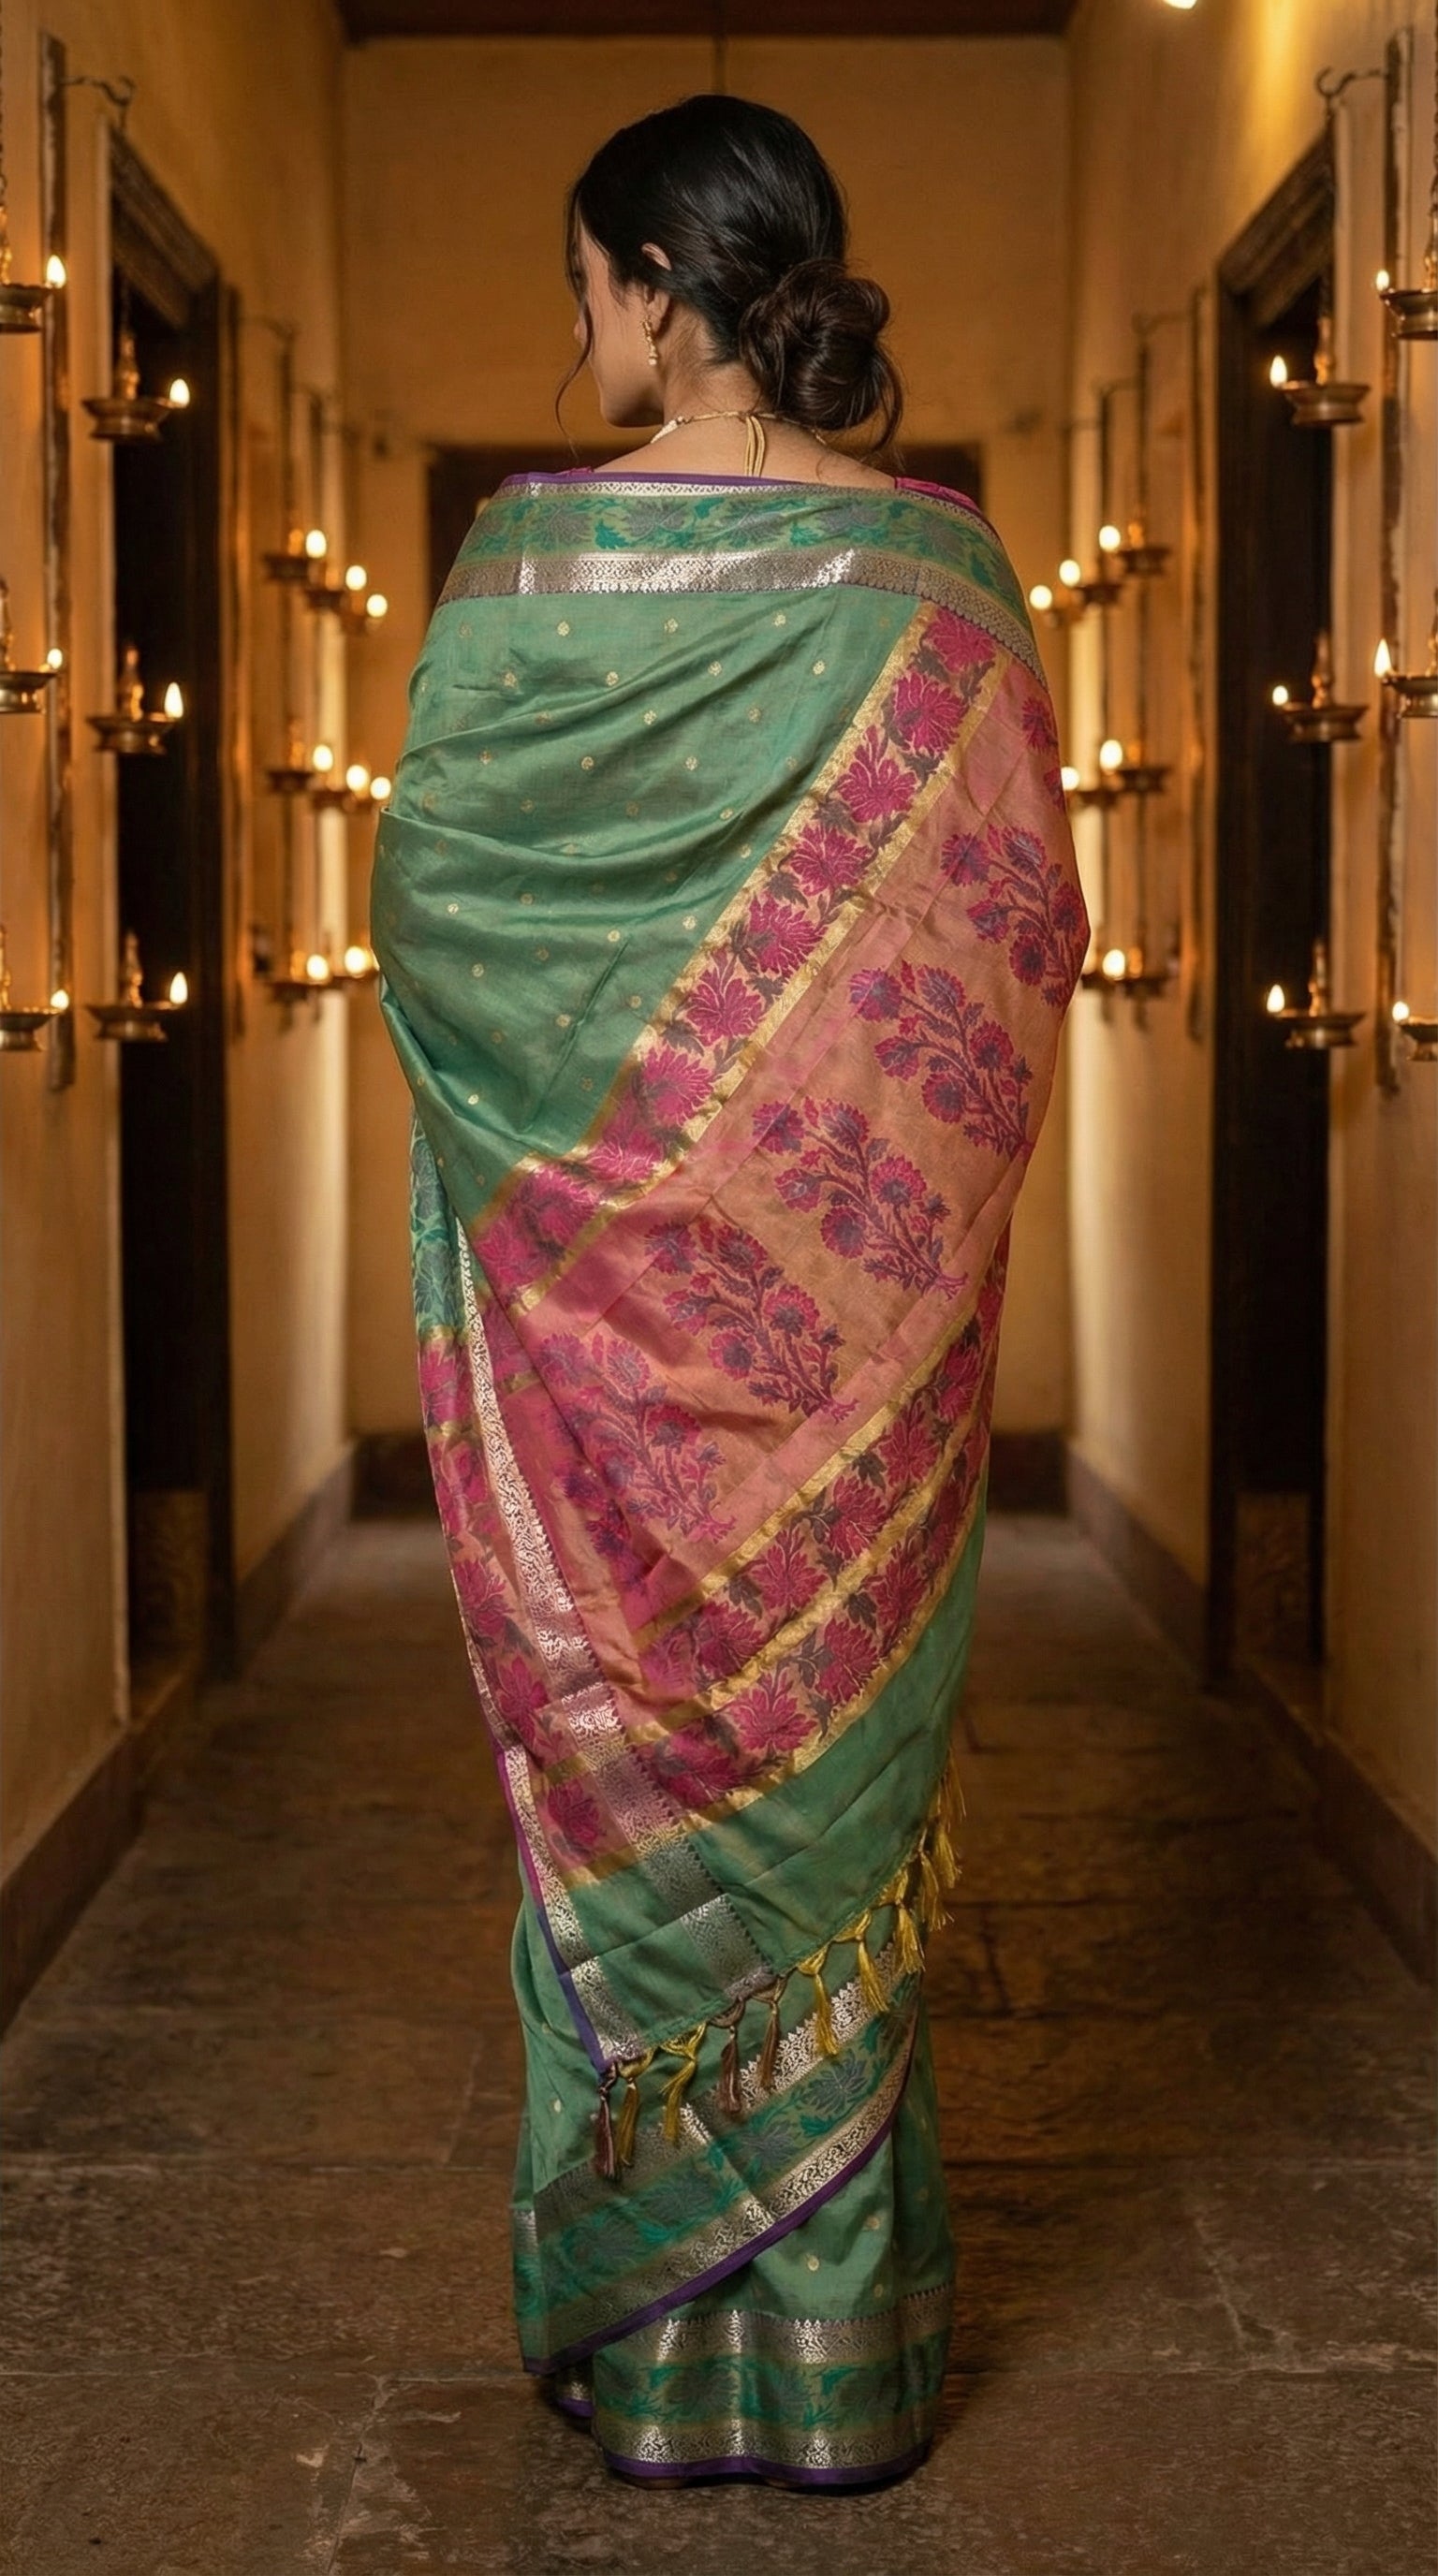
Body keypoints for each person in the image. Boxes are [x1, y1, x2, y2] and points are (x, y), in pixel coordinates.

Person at [372, 91, 1086, 2490]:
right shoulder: (952, 588)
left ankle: (667, 2367)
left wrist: (601, 1196)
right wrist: (840, 1237)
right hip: (851, 1372)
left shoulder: (514, 588)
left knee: (651, 1821)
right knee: (823, 1830)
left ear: (664, 290)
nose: (576, 328)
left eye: (586, 283)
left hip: (607, 1389)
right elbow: (1011, 957)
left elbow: (439, 933)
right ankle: (830, 2359)